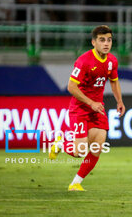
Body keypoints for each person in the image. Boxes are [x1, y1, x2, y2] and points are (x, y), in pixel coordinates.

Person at [49, 25, 126, 191]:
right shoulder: (84, 61)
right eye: (102, 40)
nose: (106, 43)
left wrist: (119, 101)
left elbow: (114, 81)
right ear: (93, 42)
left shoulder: (112, 61)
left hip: (97, 109)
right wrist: (90, 102)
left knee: (97, 147)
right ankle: (61, 143)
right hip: (80, 109)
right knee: (80, 151)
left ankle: (75, 183)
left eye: (109, 40)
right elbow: (71, 86)